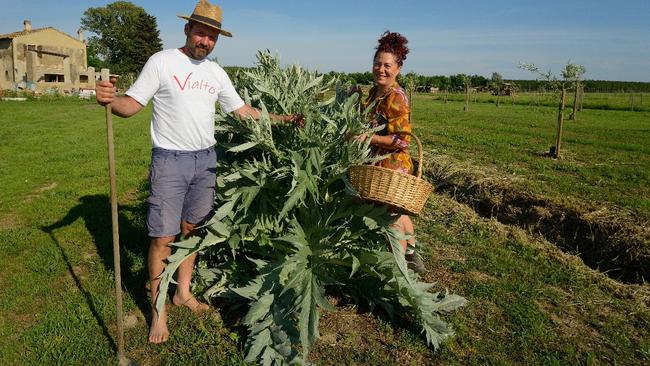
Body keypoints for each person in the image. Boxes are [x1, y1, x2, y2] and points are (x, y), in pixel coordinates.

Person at [95, 0, 301, 344]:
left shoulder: (215, 72)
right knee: (163, 237)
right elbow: (131, 105)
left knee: (193, 230)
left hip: (205, 161)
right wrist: (109, 100)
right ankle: (158, 311)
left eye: (212, 37)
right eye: (201, 32)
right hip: (170, 160)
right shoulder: (162, 62)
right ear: (187, 29)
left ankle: (183, 293)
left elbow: (242, 111)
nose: (205, 41)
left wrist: (281, 120)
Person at [357, 31, 425, 273]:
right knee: (396, 212)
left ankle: (401, 269)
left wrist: (369, 137)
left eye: (387, 65)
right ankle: (412, 252)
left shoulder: (396, 96)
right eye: (377, 63)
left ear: (398, 68)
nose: (381, 69)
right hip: (378, 163)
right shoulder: (375, 92)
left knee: (391, 218)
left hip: (393, 166)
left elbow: (402, 140)